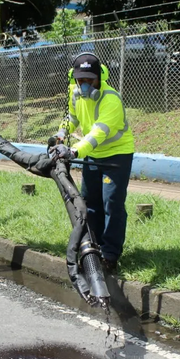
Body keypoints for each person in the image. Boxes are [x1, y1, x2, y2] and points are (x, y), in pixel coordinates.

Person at [50, 53, 135, 273]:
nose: (85, 84)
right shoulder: (74, 93)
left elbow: (99, 133)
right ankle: (92, 249)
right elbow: (72, 118)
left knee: (112, 204)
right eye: (81, 80)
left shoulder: (111, 99)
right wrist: (60, 135)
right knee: (90, 204)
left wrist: (74, 150)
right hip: (93, 156)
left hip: (116, 156)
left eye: (90, 79)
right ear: (74, 78)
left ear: (100, 77)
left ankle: (110, 255)